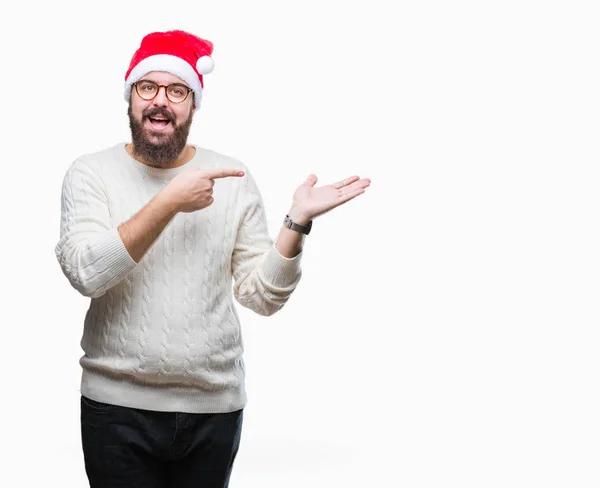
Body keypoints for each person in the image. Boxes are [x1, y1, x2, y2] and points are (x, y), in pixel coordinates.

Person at [55, 29, 371, 488]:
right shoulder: (91, 173)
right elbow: (87, 273)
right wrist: (169, 201)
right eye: (148, 87)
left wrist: (296, 221)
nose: (160, 101)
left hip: (213, 411)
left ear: (193, 104)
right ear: (130, 97)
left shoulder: (231, 176)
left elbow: (261, 296)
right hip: (116, 410)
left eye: (177, 90)